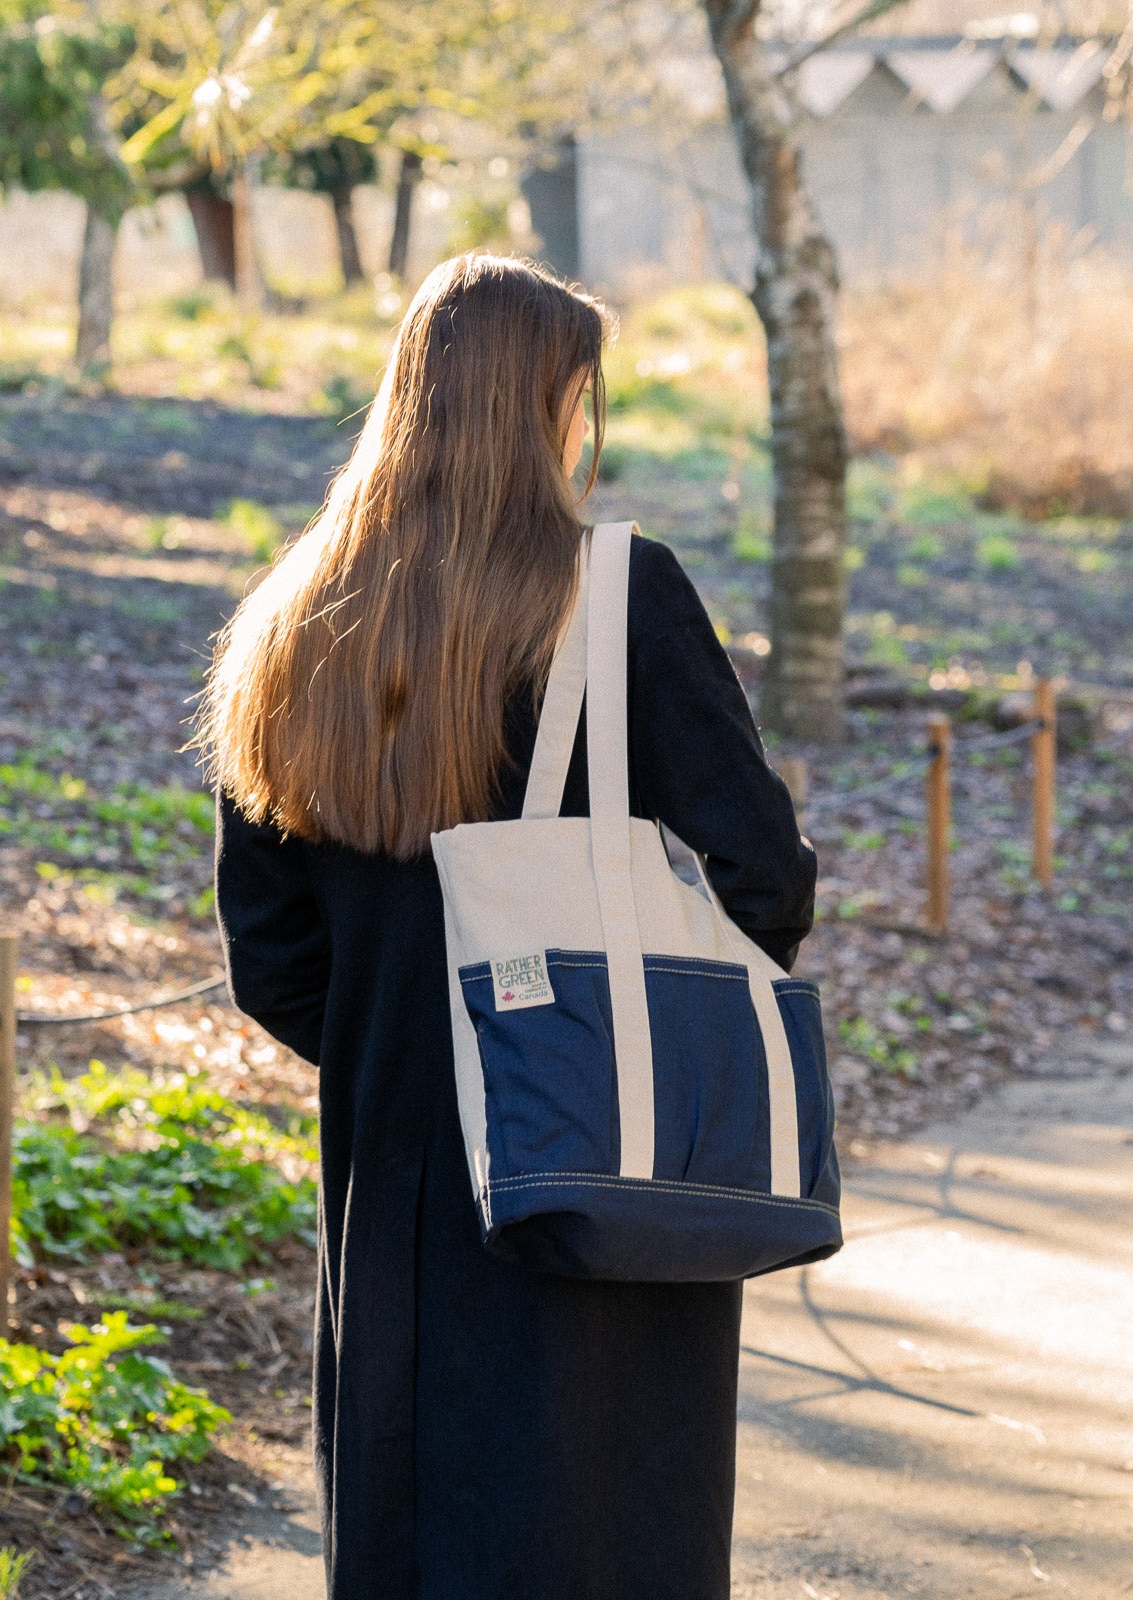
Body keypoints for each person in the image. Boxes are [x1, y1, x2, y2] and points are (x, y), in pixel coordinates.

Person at [199, 254, 816, 1600]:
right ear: (551, 404)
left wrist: (405, 1045)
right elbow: (763, 878)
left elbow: (270, 957)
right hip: (604, 1150)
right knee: (606, 1534)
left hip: (394, 1178)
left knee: (410, 1528)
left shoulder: (295, 620)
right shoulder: (618, 599)